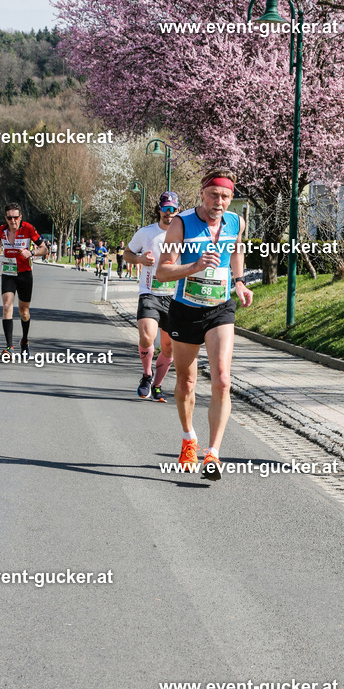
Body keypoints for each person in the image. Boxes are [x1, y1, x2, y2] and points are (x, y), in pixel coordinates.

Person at [155, 171, 253, 479]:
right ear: (202, 194)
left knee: (223, 380)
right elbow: (163, 272)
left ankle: (213, 453)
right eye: (214, 195)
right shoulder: (181, 224)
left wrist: (239, 281)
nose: (219, 202)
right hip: (185, 309)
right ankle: (188, 439)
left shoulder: (236, 222)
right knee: (186, 382)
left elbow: (236, 250)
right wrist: (195, 266)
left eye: (225, 197)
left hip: (220, 308)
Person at [124, 192, 180, 402]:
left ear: (178, 211)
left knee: (169, 346)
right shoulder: (147, 233)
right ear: (159, 209)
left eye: (173, 209)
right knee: (147, 335)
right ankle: (147, 375)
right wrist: (139, 258)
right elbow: (127, 253)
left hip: (174, 297)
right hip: (150, 293)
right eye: (166, 209)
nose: (169, 213)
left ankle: (157, 384)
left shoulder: (184, 235)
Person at [0, 203, 48, 359]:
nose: (13, 221)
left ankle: (25, 340)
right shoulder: (1, 230)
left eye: (15, 217)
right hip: (9, 272)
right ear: (6, 218)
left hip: (25, 274)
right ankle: (9, 347)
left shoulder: (28, 228)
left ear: (20, 217)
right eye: (9, 218)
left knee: (24, 312)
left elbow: (44, 249)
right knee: (7, 304)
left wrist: (31, 252)